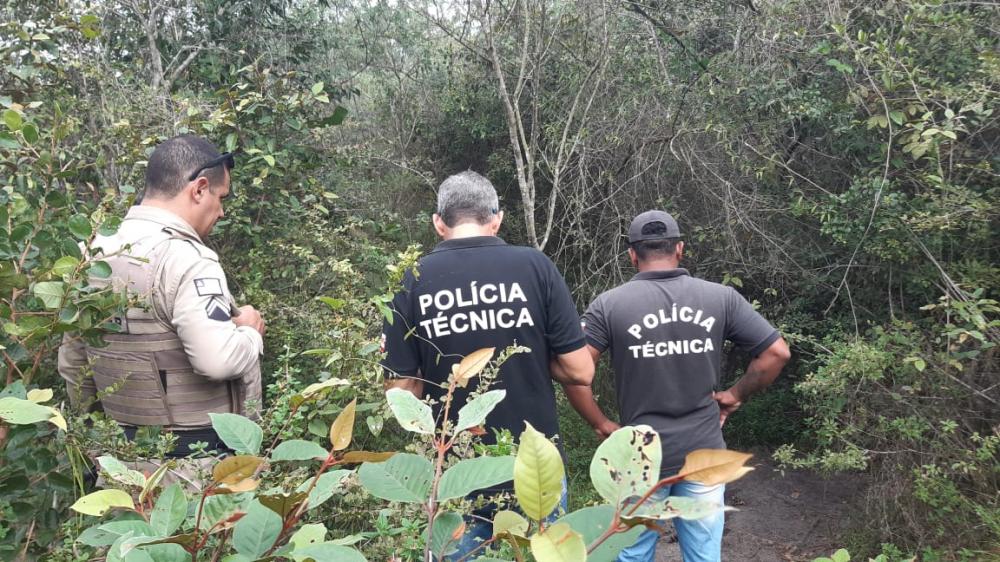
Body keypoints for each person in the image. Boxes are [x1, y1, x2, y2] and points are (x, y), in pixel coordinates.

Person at [380, 171, 594, 557]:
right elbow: (581, 370)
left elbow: (401, 395)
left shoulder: (409, 281)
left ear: (438, 223)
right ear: (496, 218)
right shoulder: (535, 266)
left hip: (454, 478)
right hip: (536, 469)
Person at [563, 210, 791, 562]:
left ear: (632, 254)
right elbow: (776, 353)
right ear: (680, 249)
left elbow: (573, 372)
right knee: (703, 556)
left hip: (640, 459)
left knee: (632, 555)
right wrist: (734, 395)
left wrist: (602, 424)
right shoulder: (721, 298)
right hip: (703, 455)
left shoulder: (610, 306)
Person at [58, 134, 265, 486]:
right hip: (196, 471)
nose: (222, 211)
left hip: (121, 467)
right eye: (220, 197)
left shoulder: (91, 253)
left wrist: (100, 442)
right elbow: (218, 361)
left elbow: (74, 366)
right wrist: (248, 330)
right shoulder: (187, 259)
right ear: (199, 189)